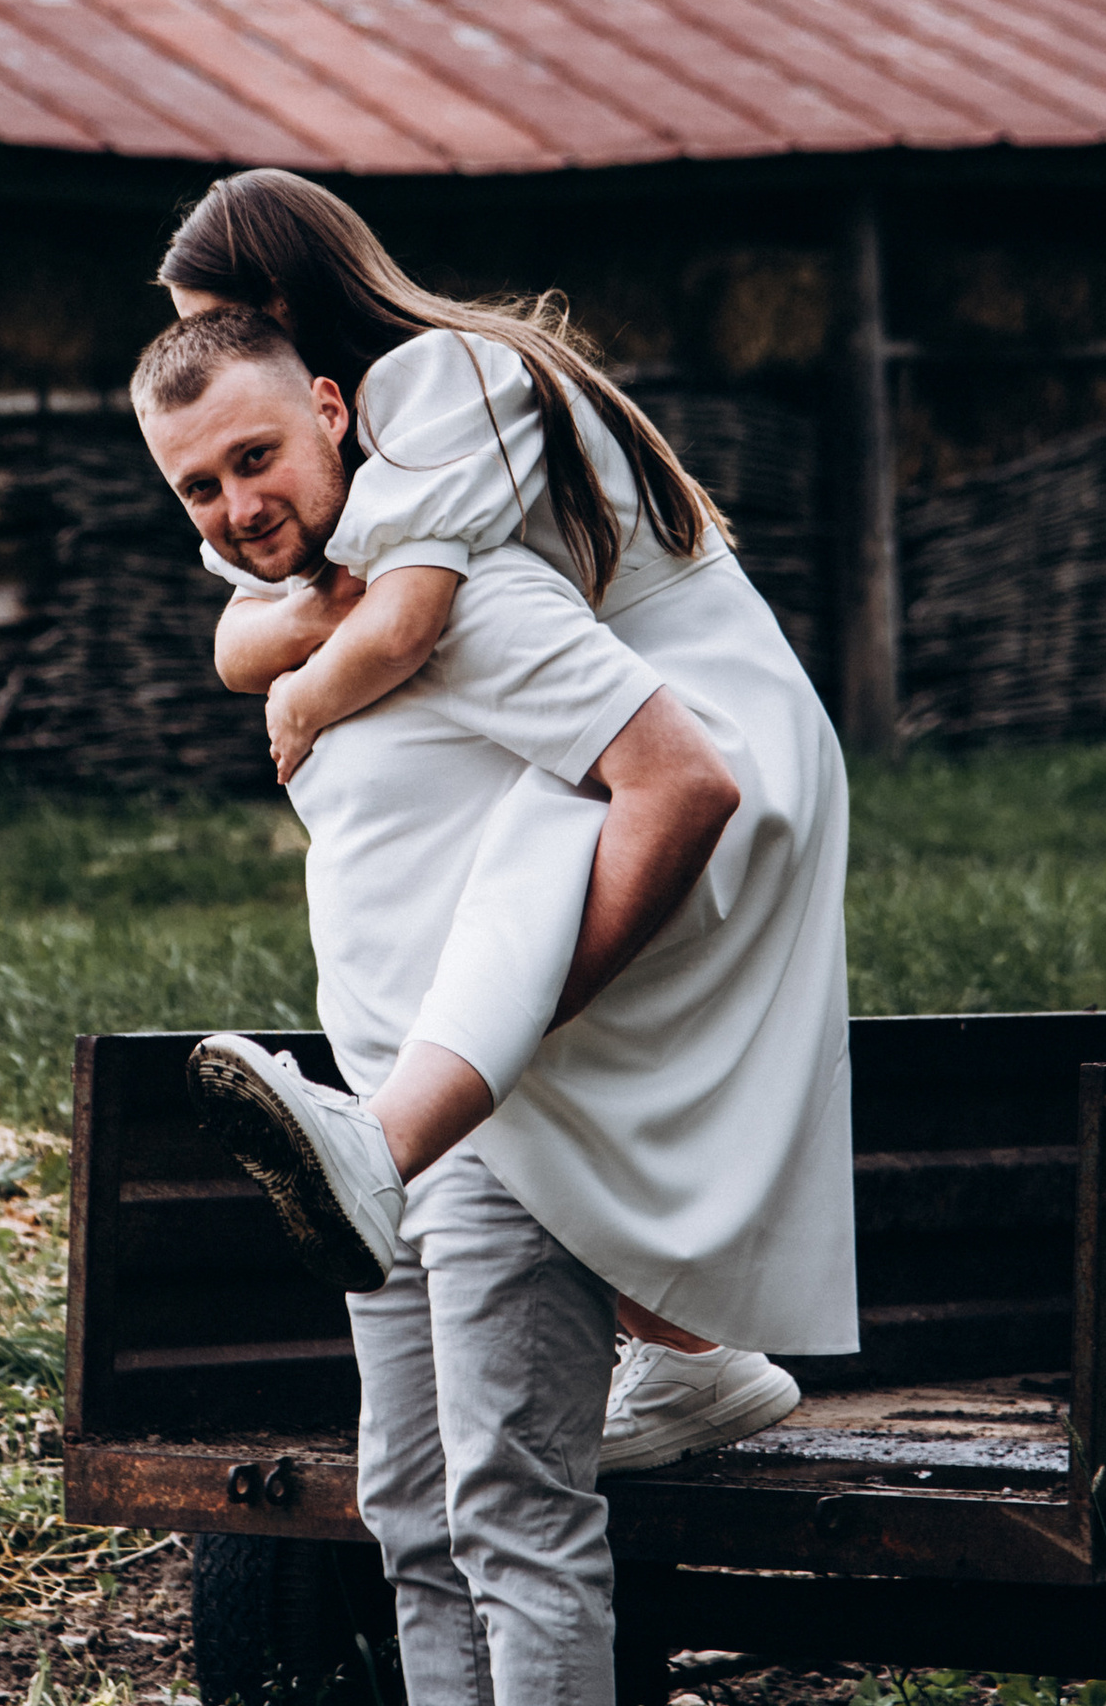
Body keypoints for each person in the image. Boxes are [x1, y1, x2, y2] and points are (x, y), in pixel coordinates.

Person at [155, 169, 852, 1467]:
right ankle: (684, 1351)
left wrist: (306, 694)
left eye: (228, 325)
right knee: (486, 947)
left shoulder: (443, 381)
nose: (216, 359)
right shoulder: (321, 442)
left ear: (287, 303)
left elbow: (410, 618)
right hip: (606, 707)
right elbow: (238, 635)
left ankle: (393, 1148)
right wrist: (307, 627)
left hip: (700, 713)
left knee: (513, 896)